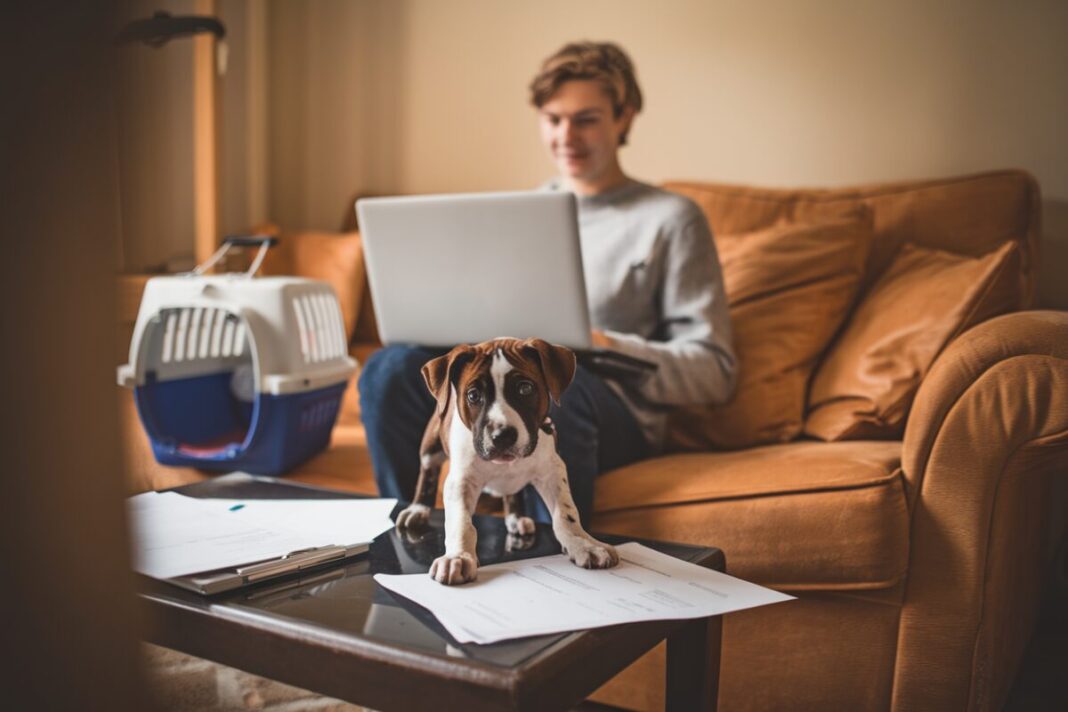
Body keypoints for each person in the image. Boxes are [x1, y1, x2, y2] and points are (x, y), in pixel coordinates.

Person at [359, 41, 736, 526]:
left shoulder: (671, 219)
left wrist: (602, 345)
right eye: (553, 119)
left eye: (587, 119)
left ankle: (551, 564)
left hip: (610, 411)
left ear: (625, 118)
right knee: (389, 370)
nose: (566, 136)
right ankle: (411, 536)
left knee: (559, 385)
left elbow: (716, 371)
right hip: (510, 387)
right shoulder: (524, 212)